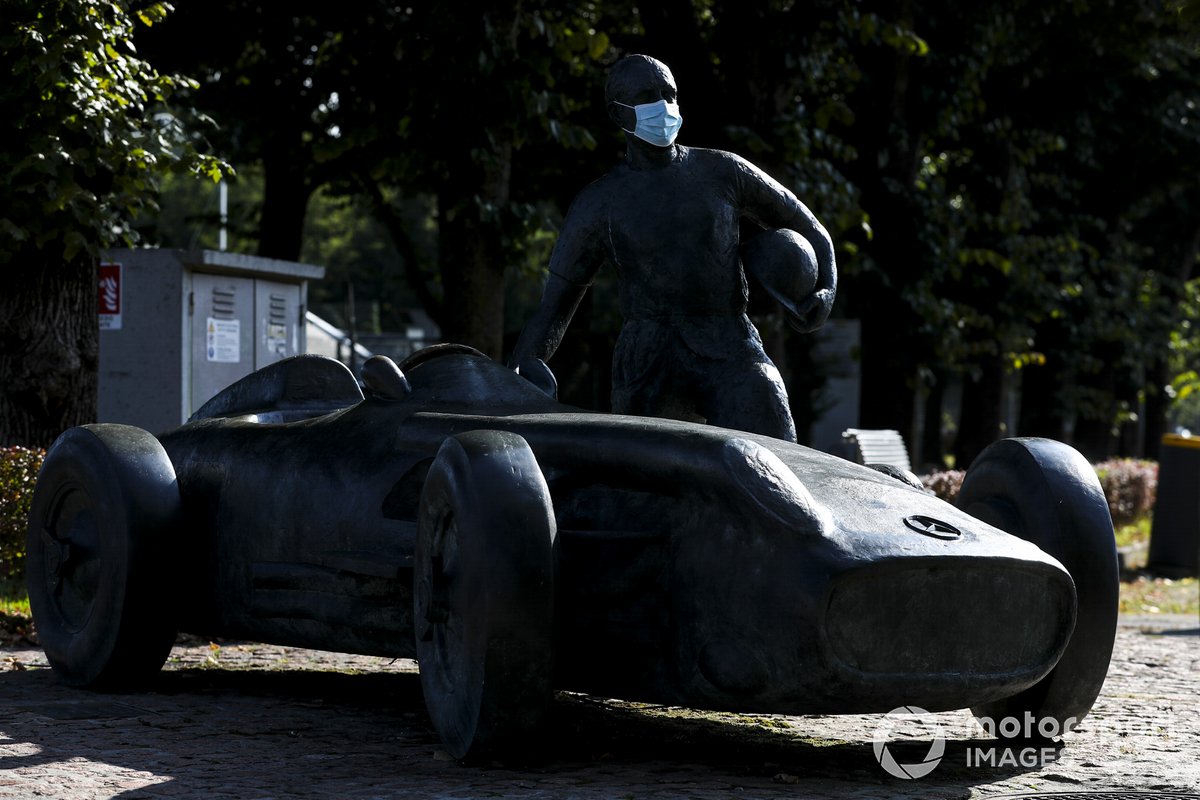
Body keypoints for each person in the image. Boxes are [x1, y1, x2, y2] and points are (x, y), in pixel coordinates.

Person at [510, 54, 836, 442]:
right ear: (619, 114)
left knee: (778, 447)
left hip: (728, 342)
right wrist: (511, 378)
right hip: (647, 359)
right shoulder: (599, 204)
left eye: (670, 94)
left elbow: (809, 226)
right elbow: (555, 307)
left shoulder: (724, 172)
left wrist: (825, 289)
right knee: (643, 483)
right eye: (649, 95)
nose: (664, 107)